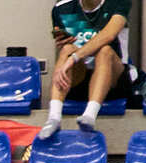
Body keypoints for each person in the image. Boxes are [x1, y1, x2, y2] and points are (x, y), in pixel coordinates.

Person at [39, 0, 133, 140]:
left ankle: (89, 115)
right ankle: (54, 118)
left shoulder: (117, 3)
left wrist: (75, 57)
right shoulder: (62, 8)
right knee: (67, 49)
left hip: (114, 78)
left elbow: (109, 35)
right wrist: (68, 49)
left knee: (105, 50)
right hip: (81, 77)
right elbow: (65, 42)